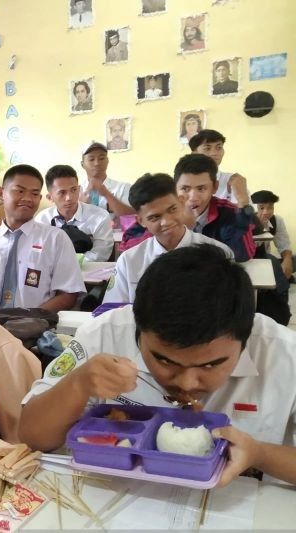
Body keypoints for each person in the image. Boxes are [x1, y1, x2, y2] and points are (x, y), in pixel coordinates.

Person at [20, 244, 296, 487]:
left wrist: (261, 454)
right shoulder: (105, 334)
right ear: (138, 330)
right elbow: (32, 436)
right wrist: (77, 385)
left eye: (212, 364)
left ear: (247, 338)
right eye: (165, 360)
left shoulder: (285, 354)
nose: (187, 384)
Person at [0, 164, 85, 312]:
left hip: (36, 328)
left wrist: (31, 318)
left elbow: (68, 294)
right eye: (20, 191)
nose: (28, 198)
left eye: (35, 194)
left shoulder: (55, 239)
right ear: (1, 193)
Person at [104, 173, 232, 303]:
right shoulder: (129, 261)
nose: (166, 222)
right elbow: (113, 310)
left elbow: (231, 308)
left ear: (182, 203)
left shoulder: (218, 253)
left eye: (172, 209)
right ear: (141, 221)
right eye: (155, 217)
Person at [175, 153, 255, 262]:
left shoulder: (228, 212)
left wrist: (243, 201)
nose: (193, 198)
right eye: (185, 189)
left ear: (215, 187)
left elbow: (242, 255)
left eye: (201, 189)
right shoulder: (167, 214)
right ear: (175, 188)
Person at [34, 164, 113, 262]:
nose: (69, 197)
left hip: (87, 273)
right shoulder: (42, 219)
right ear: (50, 197)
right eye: (62, 192)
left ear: (79, 189)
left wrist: (68, 265)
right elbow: (38, 252)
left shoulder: (100, 216)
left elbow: (100, 254)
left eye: (74, 190)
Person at [79, 141, 134, 217]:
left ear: (107, 161)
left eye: (101, 158)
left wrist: (106, 194)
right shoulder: (76, 191)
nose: (97, 163)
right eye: (91, 159)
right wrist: (80, 205)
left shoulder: (123, 188)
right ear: (82, 164)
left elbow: (133, 218)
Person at [189, 129, 241, 204]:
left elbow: (245, 213)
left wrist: (242, 197)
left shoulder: (232, 180)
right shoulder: (183, 182)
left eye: (219, 148)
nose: (214, 153)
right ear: (194, 154)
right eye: (207, 148)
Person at [251, 189, 293, 280]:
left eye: (270, 207)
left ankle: (281, 275)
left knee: (290, 259)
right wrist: (259, 227)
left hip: (266, 258)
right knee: (272, 262)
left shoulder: (277, 220)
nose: (266, 212)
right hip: (248, 260)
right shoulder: (245, 222)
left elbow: (284, 244)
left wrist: (287, 261)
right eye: (261, 208)